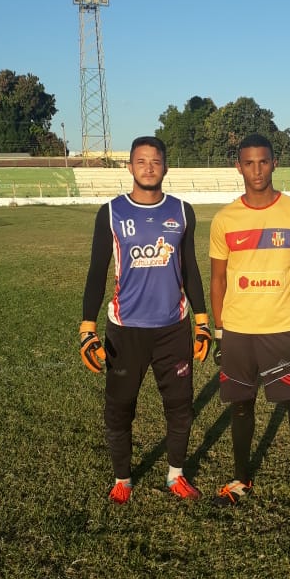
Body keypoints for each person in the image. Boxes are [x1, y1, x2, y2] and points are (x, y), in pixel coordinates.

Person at [79, 135, 211, 504]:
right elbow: (96, 272)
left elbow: (191, 269)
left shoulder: (183, 211)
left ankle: (176, 475)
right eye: (141, 161)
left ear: (165, 166)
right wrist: (87, 327)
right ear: (130, 167)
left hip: (173, 328)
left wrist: (201, 320)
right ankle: (123, 477)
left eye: (156, 161)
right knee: (120, 408)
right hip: (126, 331)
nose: (149, 167)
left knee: (180, 406)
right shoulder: (111, 212)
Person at [209, 133, 290, 506]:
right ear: (238, 166)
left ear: (275, 163)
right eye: (249, 162)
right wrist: (219, 332)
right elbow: (218, 278)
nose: (256, 170)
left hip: (281, 328)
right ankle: (241, 479)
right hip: (239, 331)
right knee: (241, 405)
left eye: (263, 162)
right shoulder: (225, 219)